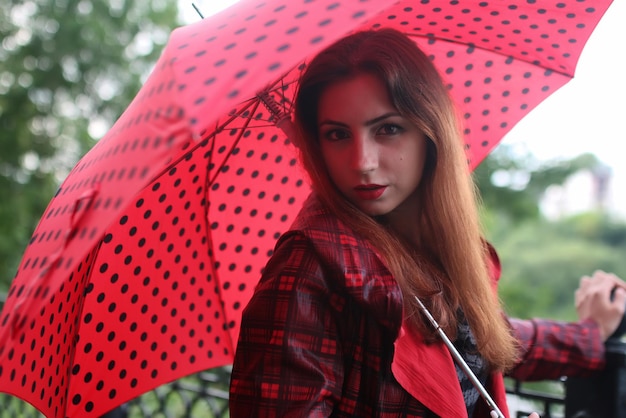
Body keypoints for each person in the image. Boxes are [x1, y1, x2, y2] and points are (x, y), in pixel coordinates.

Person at [228, 28, 626, 418]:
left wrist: (588, 338)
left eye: (387, 129)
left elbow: (483, 335)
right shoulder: (313, 264)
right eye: (336, 134)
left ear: (430, 130)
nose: (362, 161)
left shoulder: (421, 243)